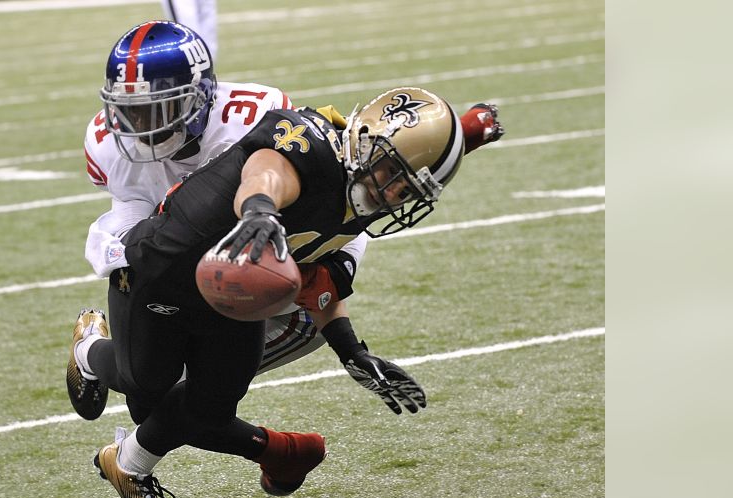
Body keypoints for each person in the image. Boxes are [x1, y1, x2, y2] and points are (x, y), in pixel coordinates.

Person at [67, 83, 494, 498]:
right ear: (366, 139)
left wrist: (353, 351)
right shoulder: (311, 141)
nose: (392, 193)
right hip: (160, 267)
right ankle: (90, 349)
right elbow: (267, 169)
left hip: (232, 287)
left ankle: (129, 464)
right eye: (392, 172)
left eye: (406, 189)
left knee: (212, 402)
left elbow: (322, 286)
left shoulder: (363, 204)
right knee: (145, 384)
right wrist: (260, 211)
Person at [72, 21, 503, 421]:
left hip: (258, 237)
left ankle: (220, 437)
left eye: (159, 111)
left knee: (202, 383)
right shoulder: (108, 143)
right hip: (176, 232)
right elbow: (140, 212)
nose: (143, 128)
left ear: (201, 96)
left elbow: (349, 165)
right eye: (132, 112)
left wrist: (462, 135)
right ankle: (97, 353)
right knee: (146, 390)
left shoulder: (251, 114)